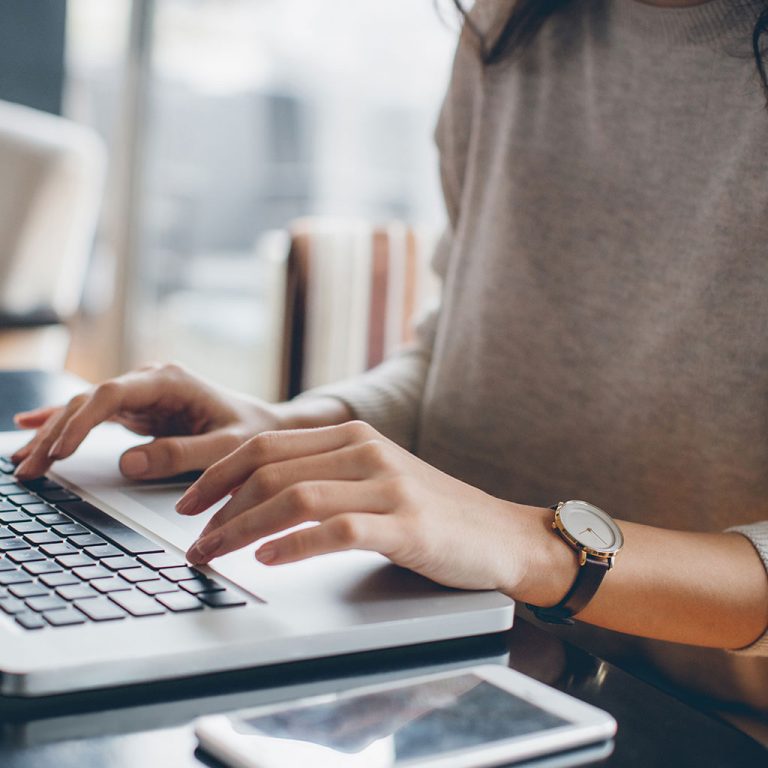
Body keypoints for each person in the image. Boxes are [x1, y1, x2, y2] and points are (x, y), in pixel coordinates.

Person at [11, 0, 768, 729]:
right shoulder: (510, 26)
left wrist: (530, 543)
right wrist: (292, 426)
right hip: (451, 650)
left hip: (703, 723)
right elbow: (453, 354)